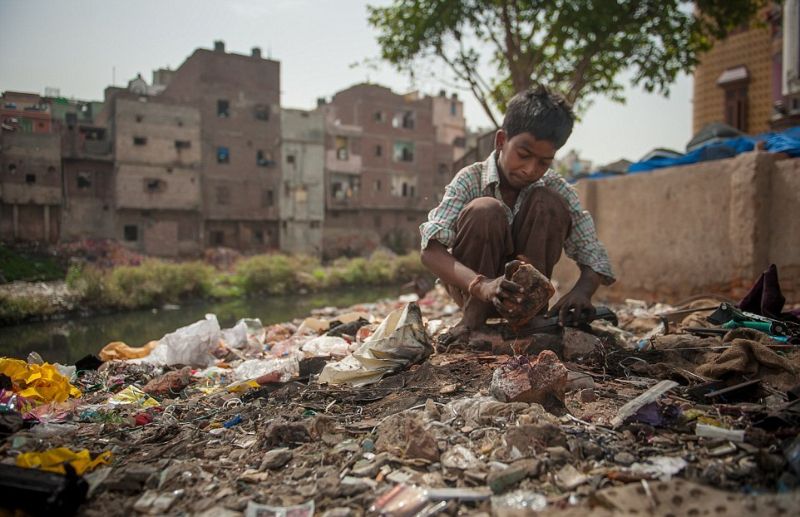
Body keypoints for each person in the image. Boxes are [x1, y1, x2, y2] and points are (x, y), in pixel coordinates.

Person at [419, 85, 615, 342]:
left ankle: (529, 321)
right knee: (485, 209)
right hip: (475, 292)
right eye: (523, 155)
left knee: (548, 203)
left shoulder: (554, 187)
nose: (530, 169)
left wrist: (583, 291)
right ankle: (472, 323)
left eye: (544, 162)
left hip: (526, 299)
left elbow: (594, 255)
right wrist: (483, 285)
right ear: (501, 141)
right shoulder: (470, 179)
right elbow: (430, 251)